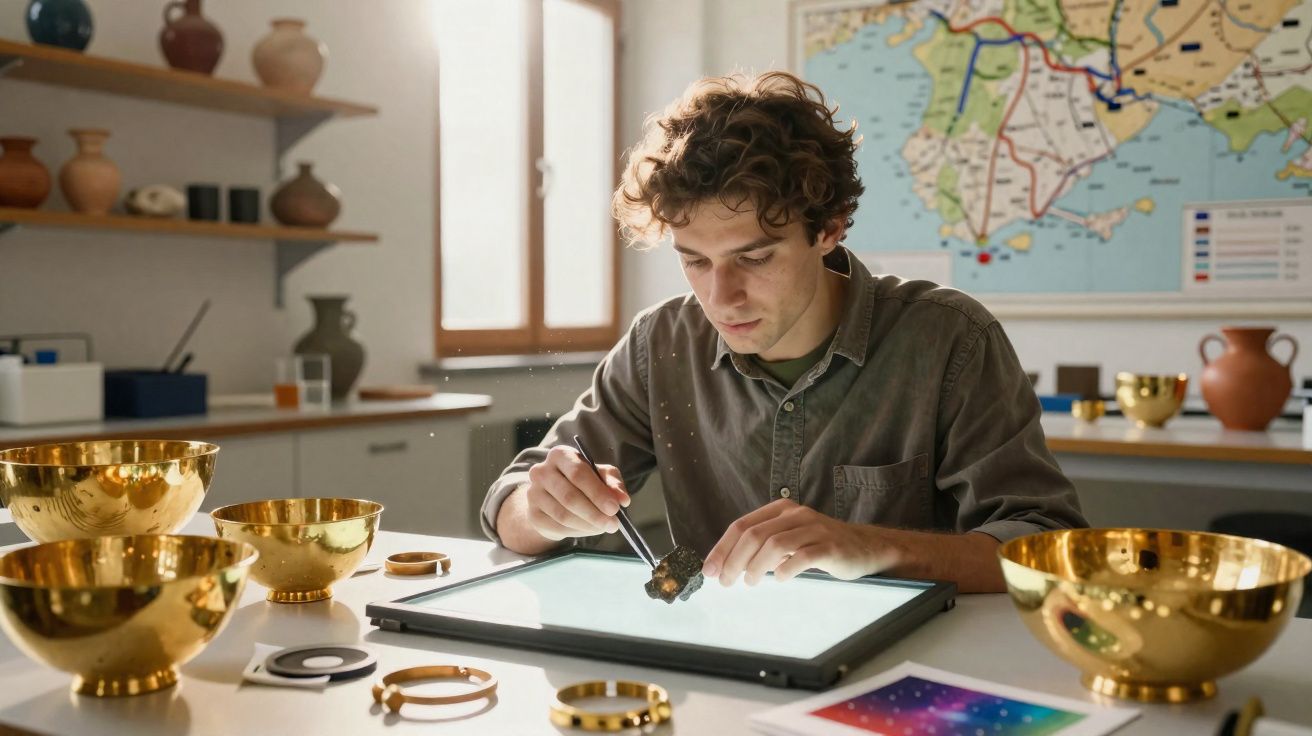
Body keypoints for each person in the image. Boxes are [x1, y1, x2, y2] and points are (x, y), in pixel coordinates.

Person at [480, 71, 1086, 593]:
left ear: (829, 228)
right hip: (726, 674)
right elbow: (508, 507)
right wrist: (542, 509)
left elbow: (1050, 547)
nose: (721, 297)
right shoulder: (657, 346)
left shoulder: (951, 340)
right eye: (695, 260)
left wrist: (872, 549)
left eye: (755, 258)